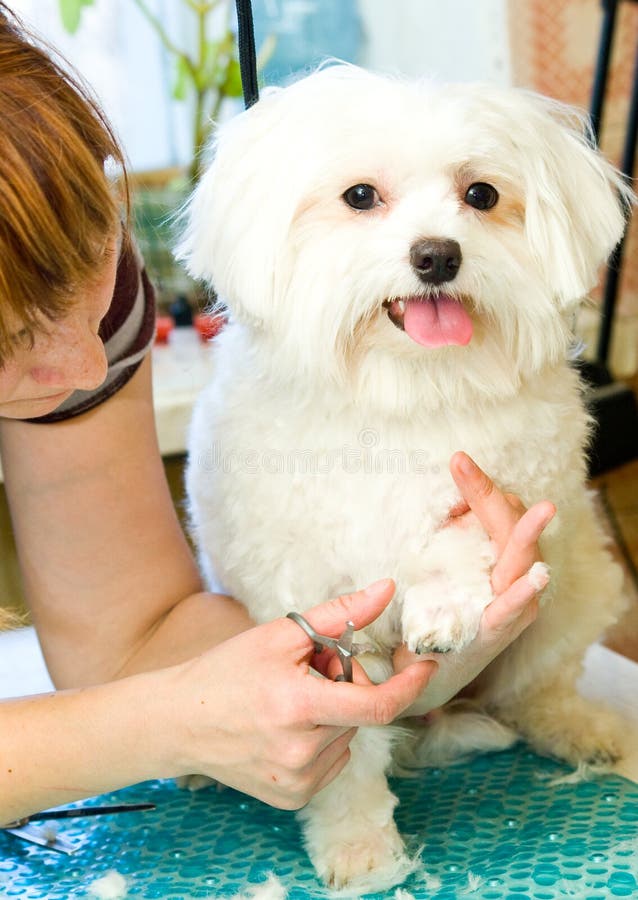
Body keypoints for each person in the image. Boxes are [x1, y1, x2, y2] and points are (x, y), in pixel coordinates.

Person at [0, 3, 555, 825]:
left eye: (91, 294)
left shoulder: (77, 311)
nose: (87, 370)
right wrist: (159, 727)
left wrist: (383, 679)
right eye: (9, 340)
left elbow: (129, 648)